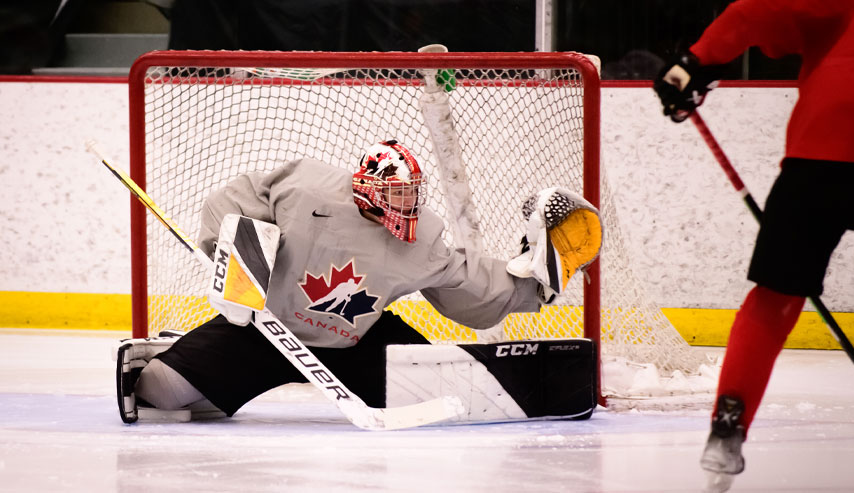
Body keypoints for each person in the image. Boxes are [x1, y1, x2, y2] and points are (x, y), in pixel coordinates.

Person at [120, 140, 602, 422]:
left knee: (436, 396)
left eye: (412, 193)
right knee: (158, 391)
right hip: (264, 332)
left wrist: (533, 284)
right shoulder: (304, 188)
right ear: (367, 189)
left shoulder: (423, 236)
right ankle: (164, 353)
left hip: (360, 342)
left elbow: (464, 282)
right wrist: (236, 265)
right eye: (396, 194)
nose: (407, 204)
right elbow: (235, 201)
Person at [653, 0, 854, 486]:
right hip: (829, 145)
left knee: (775, 297)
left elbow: (751, 12)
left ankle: (728, 426)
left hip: (822, 152)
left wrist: (694, 63)